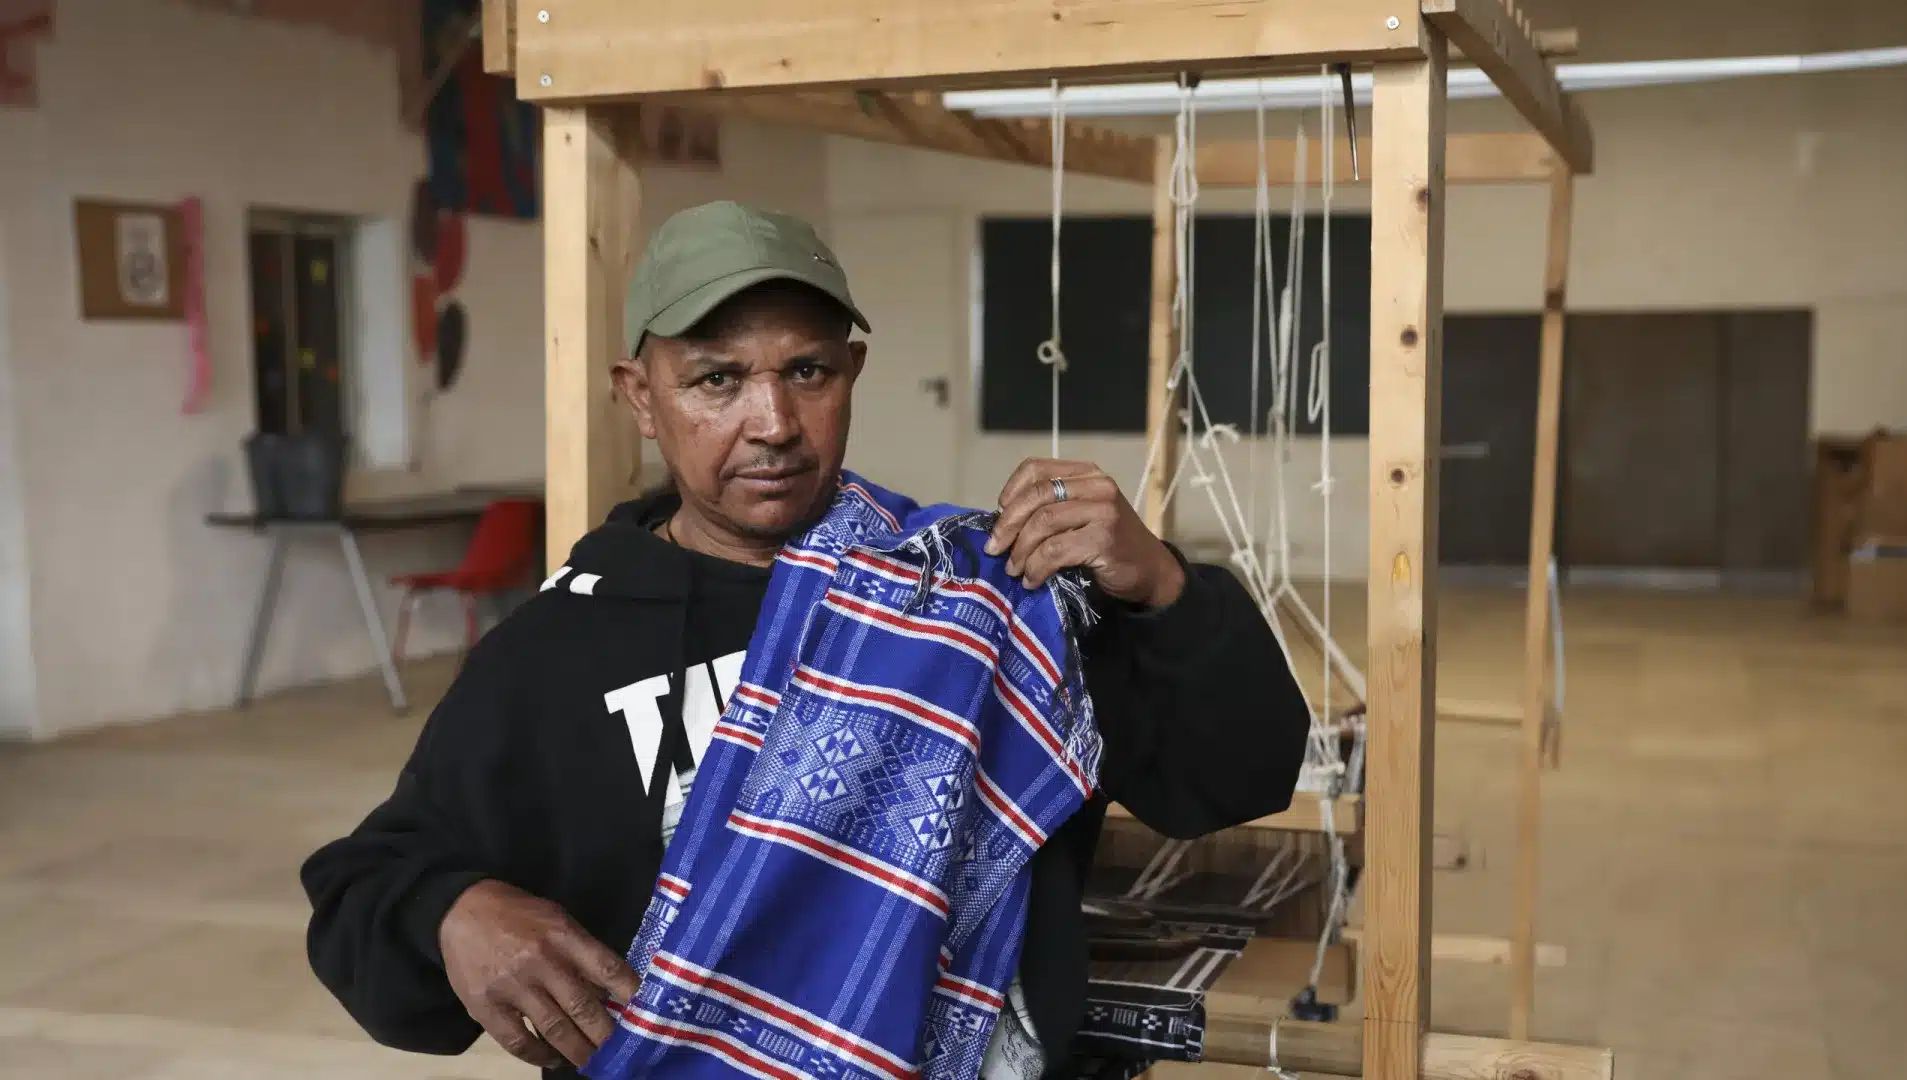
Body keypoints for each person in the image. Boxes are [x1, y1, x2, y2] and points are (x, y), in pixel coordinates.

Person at [302, 200, 1310, 1080]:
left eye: (807, 371)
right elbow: (364, 899)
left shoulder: (973, 603)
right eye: (715, 381)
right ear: (639, 396)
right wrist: (452, 910)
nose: (773, 421)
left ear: (852, 374)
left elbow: (1239, 776)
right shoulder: (558, 653)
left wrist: (1164, 587)